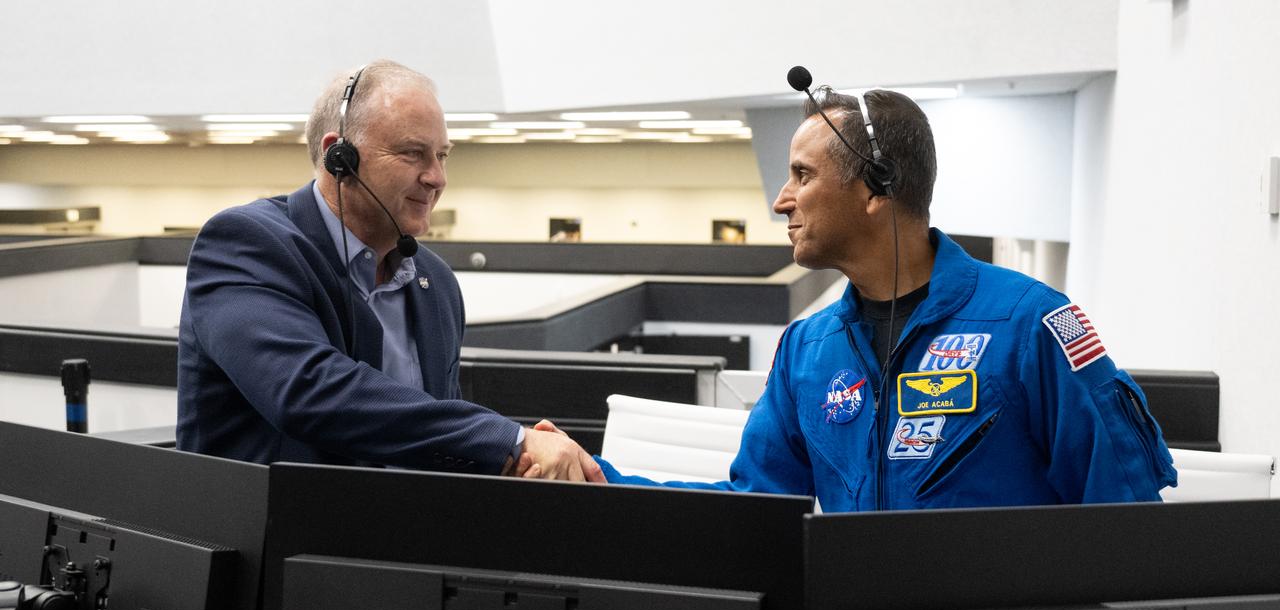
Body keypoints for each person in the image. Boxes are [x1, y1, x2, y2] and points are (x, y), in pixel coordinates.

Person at [527, 87, 1176, 509]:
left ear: (874, 188)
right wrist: (598, 479)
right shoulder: (808, 351)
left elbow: (1126, 513)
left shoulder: (1031, 324)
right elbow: (755, 510)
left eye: (802, 176)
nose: (780, 199)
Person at [177, 59, 601, 482]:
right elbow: (309, 392)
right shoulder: (246, 243)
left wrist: (519, 458)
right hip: (271, 537)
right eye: (413, 153)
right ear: (337, 157)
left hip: (403, 535)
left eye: (442, 156)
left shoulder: (435, 282)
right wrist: (508, 439)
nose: (437, 178)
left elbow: (429, 433)